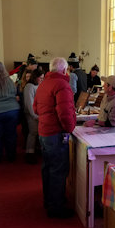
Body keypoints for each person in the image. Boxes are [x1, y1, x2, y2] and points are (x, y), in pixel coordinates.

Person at [33, 57, 76, 218]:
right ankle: (56, 208)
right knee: (58, 170)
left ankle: (49, 200)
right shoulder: (62, 85)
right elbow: (64, 113)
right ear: (65, 70)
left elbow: (35, 108)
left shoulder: (44, 83)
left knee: (48, 168)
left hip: (43, 131)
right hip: (55, 133)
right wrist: (70, 128)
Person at [24, 69, 44, 164]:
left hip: (38, 113)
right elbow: (29, 103)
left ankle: (37, 150)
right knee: (33, 132)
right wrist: (35, 116)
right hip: (31, 114)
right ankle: (29, 153)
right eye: (41, 78)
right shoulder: (29, 86)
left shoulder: (38, 85)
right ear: (35, 77)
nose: (42, 80)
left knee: (38, 132)